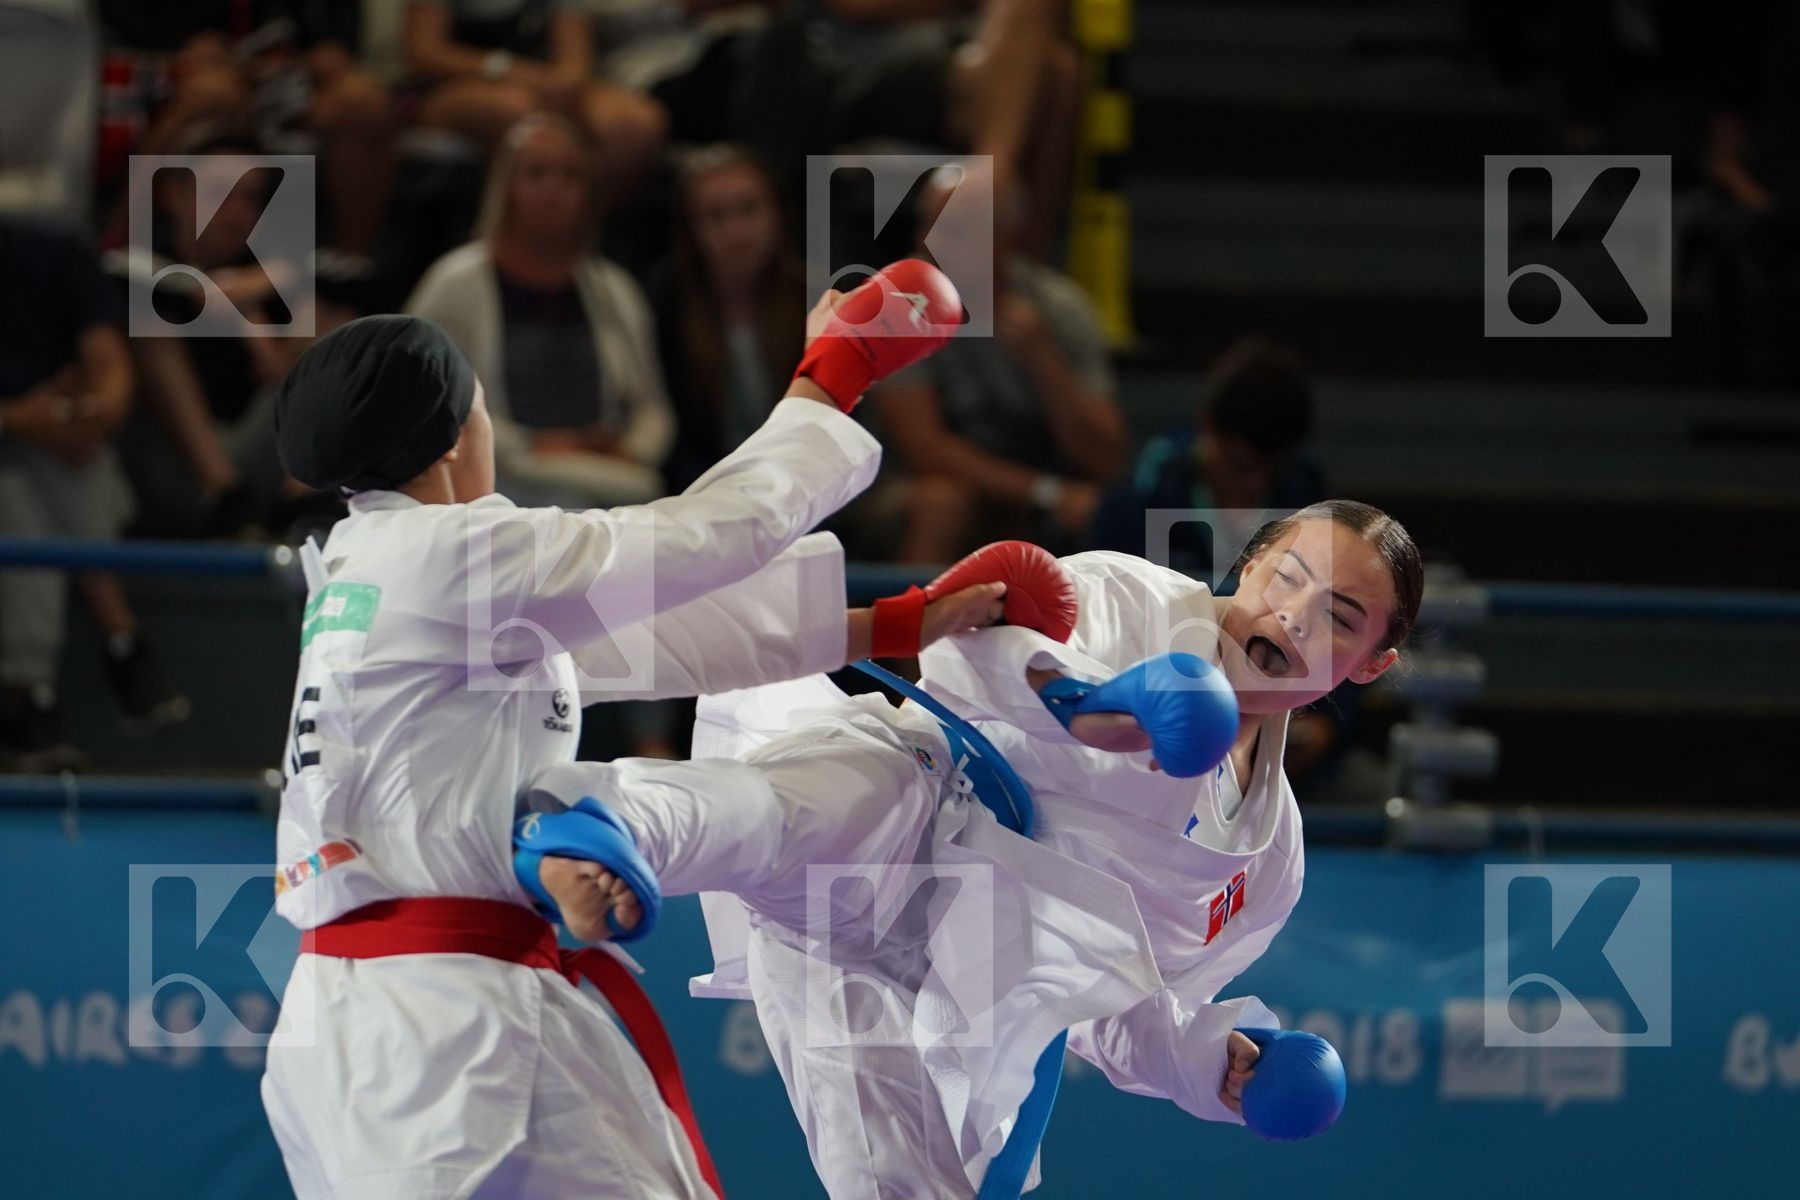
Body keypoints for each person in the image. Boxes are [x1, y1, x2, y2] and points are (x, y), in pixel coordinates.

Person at [260, 262, 984, 1199]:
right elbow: (705, 534)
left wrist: (894, 627)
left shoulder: (370, 574)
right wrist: (833, 372)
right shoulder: (451, 553)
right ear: (452, 436)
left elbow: (643, 641)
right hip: (453, 1028)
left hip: (353, 1035)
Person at [523, 498, 1420, 1196]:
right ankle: (597, 825)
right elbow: (977, 650)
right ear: (1253, 562)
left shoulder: (1268, 863)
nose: (1296, 617)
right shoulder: (1134, 600)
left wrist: (1206, 1066)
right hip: (924, 815)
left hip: (968, 982)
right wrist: (1105, 708)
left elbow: (1121, 997)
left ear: (1374, 663)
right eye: (1287, 577)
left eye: (1340, 617)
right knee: (814, 808)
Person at [407, 112, 675, 509]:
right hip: (499, 475)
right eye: (536, 173)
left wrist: (633, 449)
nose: (553, 190)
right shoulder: (454, 284)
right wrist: (531, 444)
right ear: (506, 186)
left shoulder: (615, 290)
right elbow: (426, 401)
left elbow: (653, 409)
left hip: (605, 474)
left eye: (570, 176)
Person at [0, 215, 188, 771]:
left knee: (31, 484)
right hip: (17, 442)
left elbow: (109, 365)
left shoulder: (50, 246)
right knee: (11, 487)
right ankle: (123, 638)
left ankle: (28, 695)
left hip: (58, 455)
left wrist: (92, 413)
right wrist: (14, 418)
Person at [875, 164, 1128, 562]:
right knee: (943, 501)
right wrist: (1047, 492)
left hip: (1034, 488)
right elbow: (925, 449)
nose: (933, 243)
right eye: (928, 225)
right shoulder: (895, 305)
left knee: (1109, 509)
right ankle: (912, 623)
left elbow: (1106, 456)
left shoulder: (1059, 310)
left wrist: (1044, 360)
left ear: (1007, 236)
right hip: (918, 487)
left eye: (956, 230)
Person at [97, 0, 395, 262]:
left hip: (285, 74)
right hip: (167, 68)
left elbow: (333, 37)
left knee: (361, 104)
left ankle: (347, 270)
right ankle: (123, 249)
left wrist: (326, 50)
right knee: (214, 94)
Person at [652, 143, 808, 492]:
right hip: (705, 492)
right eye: (716, 216)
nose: (737, 232)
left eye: (749, 210)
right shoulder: (665, 307)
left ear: (778, 213)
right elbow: (673, 434)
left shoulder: (815, 300)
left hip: (806, 485)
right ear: (691, 231)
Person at [405, 0, 668, 206]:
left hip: (543, 84)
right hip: (458, 86)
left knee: (631, 123)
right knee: (520, 113)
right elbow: (424, 51)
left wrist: (562, 84)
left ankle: (582, 242)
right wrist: (510, 71)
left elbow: (575, 61)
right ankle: (510, 244)